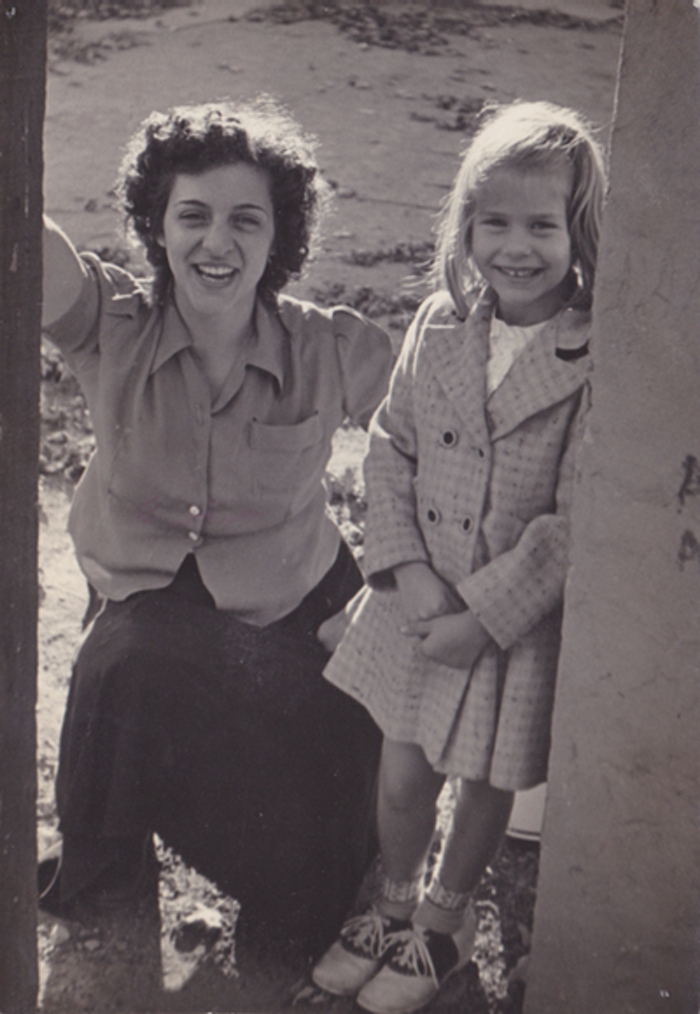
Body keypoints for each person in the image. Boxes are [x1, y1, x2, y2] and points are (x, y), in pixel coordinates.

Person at [38, 97, 393, 959]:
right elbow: (37, 256)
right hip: (146, 629)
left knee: (311, 908)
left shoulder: (328, 349)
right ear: (156, 229)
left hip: (292, 630)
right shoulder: (111, 326)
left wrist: (390, 584)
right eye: (190, 216)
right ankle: (111, 876)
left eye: (246, 219)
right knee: (124, 658)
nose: (216, 243)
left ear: (282, 238)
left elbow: (437, 425)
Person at [311, 100, 607, 1012]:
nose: (516, 247)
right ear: (467, 225)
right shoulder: (440, 321)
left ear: (579, 231)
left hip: (503, 622)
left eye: (541, 226)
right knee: (403, 771)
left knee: (482, 781)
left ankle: (443, 928)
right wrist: (404, 570)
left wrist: (484, 614)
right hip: (418, 596)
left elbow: (573, 514)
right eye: (495, 222)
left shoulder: (596, 353)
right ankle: (394, 905)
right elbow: (391, 442)